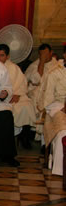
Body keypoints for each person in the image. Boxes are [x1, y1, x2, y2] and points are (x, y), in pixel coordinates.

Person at [0, 44, 36, 149]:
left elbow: (22, 83)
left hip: (15, 95)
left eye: (2, 55)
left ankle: (25, 137)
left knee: (27, 106)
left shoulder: (14, 68)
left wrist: (18, 94)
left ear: (7, 56)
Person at [37, 44, 66, 175]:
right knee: (63, 133)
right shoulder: (54, 73)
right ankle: (61, 170)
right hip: (57, 106)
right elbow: (47, 100)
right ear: (64, 55)